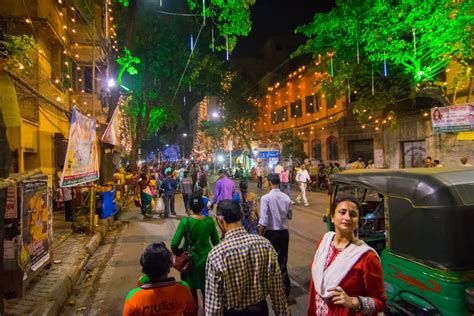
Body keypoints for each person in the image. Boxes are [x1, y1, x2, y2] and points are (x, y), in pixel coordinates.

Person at [205, 200, 290, 315]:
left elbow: (214, 308)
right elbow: (277, 292)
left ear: (220, 220)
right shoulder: (265, 244)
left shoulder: (217, 255)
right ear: (241, 216)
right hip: (260, 311)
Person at [307, 195, 386, 315]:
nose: (347, 217)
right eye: (342, 212)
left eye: (353, 214)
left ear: (357, 221)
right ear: (332, 217)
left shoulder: (367, 257)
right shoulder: (324, 242)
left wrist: (354, 302)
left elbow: (380, 302)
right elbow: (315, 287)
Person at [171, 193, 219, 309]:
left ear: (190, 207)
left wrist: (178, 252)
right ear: (203, 207)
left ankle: (194, 311)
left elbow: (174, 243)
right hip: (206, 261)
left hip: (189, 262)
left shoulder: (185, 222)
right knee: (206, 291)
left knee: (191, 291)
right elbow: (216, 242)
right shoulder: (209, 221)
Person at [123, 243, 197, 316]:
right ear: (170, 265)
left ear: (143, 269)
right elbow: (191, 313)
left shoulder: (133, 298)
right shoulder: (183, 289)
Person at [258, 174, 292, 298]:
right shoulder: (286, 197)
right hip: (284, 233)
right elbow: (290, 216)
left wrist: (260, 236)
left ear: (270, 183)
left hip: (271, 233)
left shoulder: (265, 198)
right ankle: (285, 289)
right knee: (282, 261)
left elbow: (263, 221)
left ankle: (272, 289)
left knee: (270, 261)